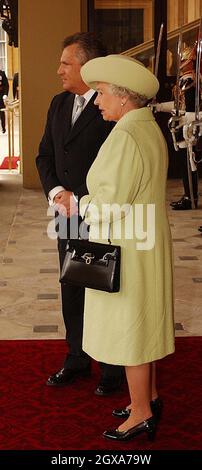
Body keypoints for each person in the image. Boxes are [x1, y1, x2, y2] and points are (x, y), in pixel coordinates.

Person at [79, 54, 175, 440]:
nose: (97, 100)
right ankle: (148, 398)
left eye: (101, 93)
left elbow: (110, 204)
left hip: (127, 246)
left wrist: (78, 205)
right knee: (145, 321)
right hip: (144, 240)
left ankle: (140, 413)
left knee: (131, 330)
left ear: (123, 97)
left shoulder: (125, 136)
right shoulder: (147, 127)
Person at [36, 32, 123, 395]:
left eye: (65, 63)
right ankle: (77, 358)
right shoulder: (58, 104)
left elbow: (118, 167)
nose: (59, 70)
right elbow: (44, 155)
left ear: (87, 68)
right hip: (66, 213)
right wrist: (57, 192)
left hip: (100, 213)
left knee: (103, 288)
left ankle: (113, 369)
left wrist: (81, 197)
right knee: (71, 284)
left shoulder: (113, 106)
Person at [156, 43, 200, 210]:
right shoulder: (184, 80)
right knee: (185, 164)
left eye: (184, 59)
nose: (181, 62)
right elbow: (178, 106)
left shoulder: (191, 81)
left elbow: (189, 110)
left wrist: (177, 114)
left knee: (190, 164)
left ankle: (191, 197)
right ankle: (189, 196)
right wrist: (159, 107)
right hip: (182, 128)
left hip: (190, 128)